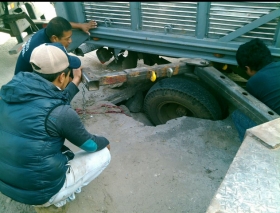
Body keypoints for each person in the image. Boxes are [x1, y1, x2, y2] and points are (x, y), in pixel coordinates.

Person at [0, 42, 111, 210]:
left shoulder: (12, 91)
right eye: (67, 75)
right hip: (41, 192)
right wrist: (105, 142)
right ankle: (58, 198)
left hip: (5, 182)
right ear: (61, 77)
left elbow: (49, 102)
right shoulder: (62, 113)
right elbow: (90, 144)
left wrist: (75, 81)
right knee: (104, 153)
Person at [231, 38, 280, 141]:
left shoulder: (254, 82)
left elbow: (255, 109)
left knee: (238, 115)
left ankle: (250, 148)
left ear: (247, 68)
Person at [14, 16, 97, 75]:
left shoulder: (47, 31)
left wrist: (80, 25)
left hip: (23, 74)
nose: (70, 41)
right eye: (67, 38)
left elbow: (62, 24)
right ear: (55, 38)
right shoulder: (46, 50)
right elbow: (74, 63)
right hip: (27, 81)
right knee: (66, 74)